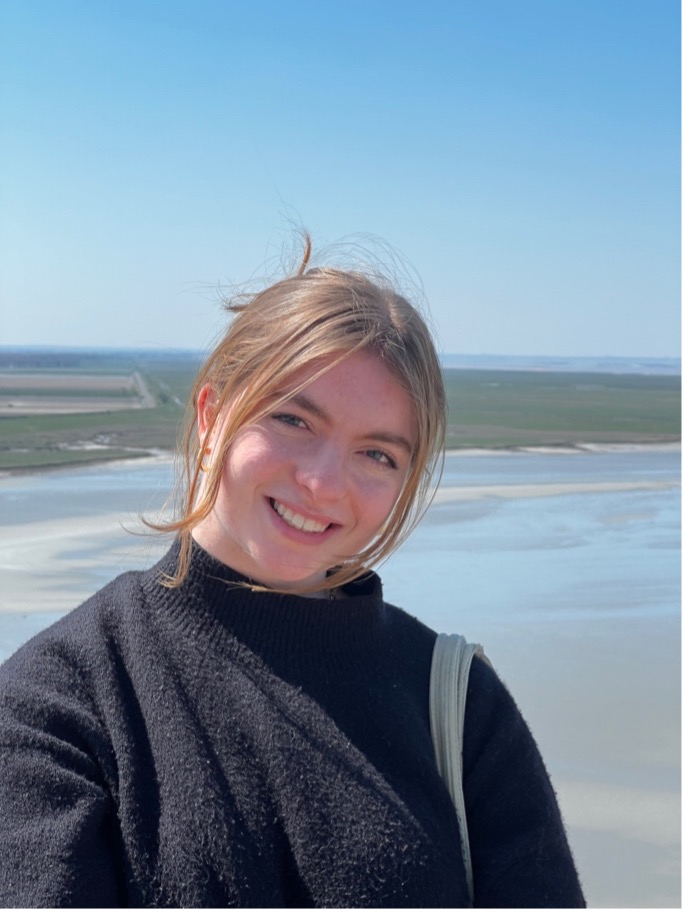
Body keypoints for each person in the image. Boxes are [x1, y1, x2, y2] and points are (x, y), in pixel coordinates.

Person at [0, 238, 585, 907]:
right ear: (212, 413)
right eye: (293, 418)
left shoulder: (456, 704)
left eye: (377, 453)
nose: (322, 481)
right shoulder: (60, 706)